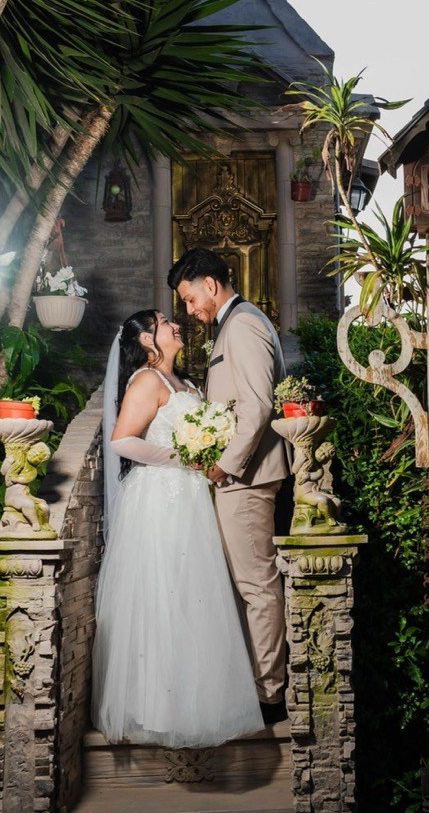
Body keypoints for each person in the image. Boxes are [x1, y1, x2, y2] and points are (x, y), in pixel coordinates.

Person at [91, 309, 263, 747]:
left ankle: (197, 702)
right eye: (165, 323)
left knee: (194, 594)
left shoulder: (185, 383)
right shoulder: (147, 381)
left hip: (191, 497)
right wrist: (186, 458)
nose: (175, 326)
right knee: (165, 594)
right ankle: (156, 707)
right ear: (148, 340)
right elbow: (122, 440)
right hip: (160, 498)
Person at [168, 248, 291, 724]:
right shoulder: (233, 323)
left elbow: (258, 406)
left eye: (190, 297)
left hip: (247, 478)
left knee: (256, 586)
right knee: (245, 584)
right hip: (240, 478)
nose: (190, 309)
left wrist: (223, 465)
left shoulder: (243, 324)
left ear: (210, 284)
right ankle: (256, 684)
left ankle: (269, 696)